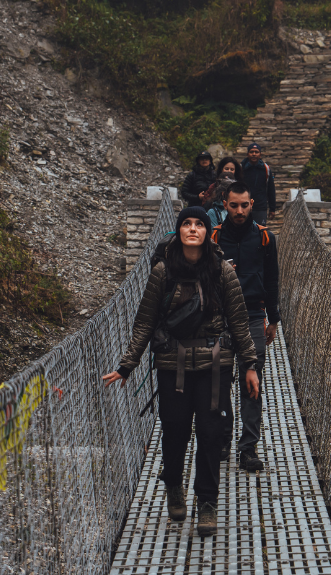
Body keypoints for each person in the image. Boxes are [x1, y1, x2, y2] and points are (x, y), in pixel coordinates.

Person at [103, 206, 259, 538]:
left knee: (210, 433)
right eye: (186, 224)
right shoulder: (162, 271)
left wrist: (250, 366)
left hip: (214, 365)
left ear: (206, 231)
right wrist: (126, 365)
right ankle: (173, 482)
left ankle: (207, 503)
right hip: (172, 364)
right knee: (174, 431)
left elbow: (239, 321)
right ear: (178, 231)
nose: (192, 229)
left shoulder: (221, 271)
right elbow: (144, 321)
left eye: (198, 224)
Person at [210, 182, 279, 472]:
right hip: (219, 318)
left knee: (252, 383)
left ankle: (247, 448)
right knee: (220, 381)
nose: (239, 211)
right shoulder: (212, 237)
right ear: (224, 204)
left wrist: (273, 319)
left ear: (252, 204)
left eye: (245, 205)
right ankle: (224, 438)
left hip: (253, 315)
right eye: (234, 205)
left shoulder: (265, 238)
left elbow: (273, 279)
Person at [238, 143, 276, 225]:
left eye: (256, 152)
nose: (254, 154)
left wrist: (272, 209)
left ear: (260, 154)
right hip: (243, 206)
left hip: (260, 207)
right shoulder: (241, 168)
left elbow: (270, 189)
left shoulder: (265, 169)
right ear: (247, 154)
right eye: (251, 152)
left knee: (260, 232)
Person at [206, 157, 241, 227]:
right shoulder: (214, 212)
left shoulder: (241, 210)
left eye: (232, 169)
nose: (229, 171)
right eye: (226, 168)